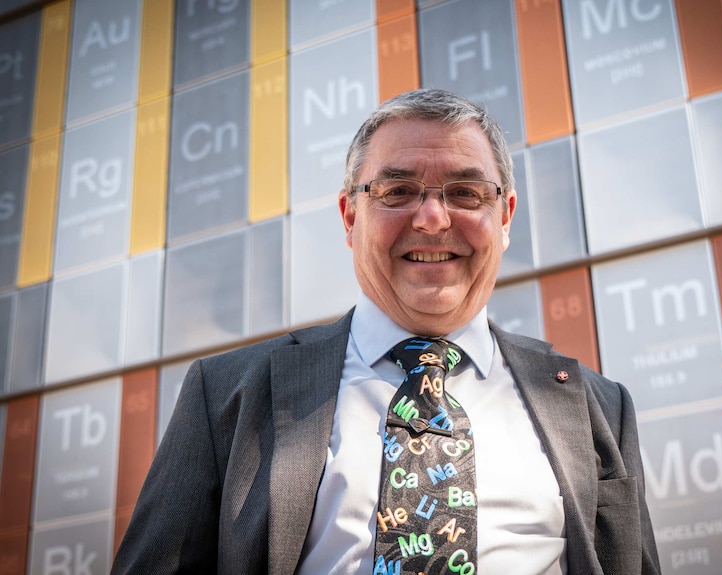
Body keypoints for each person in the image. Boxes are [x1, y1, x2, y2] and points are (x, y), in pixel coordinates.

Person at [111, 88, 661, 574]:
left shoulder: (598, 408)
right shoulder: (225, 393)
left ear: (506, 217)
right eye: (398, 192)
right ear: (350, 217)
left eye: (466, 194)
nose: (432, 219)